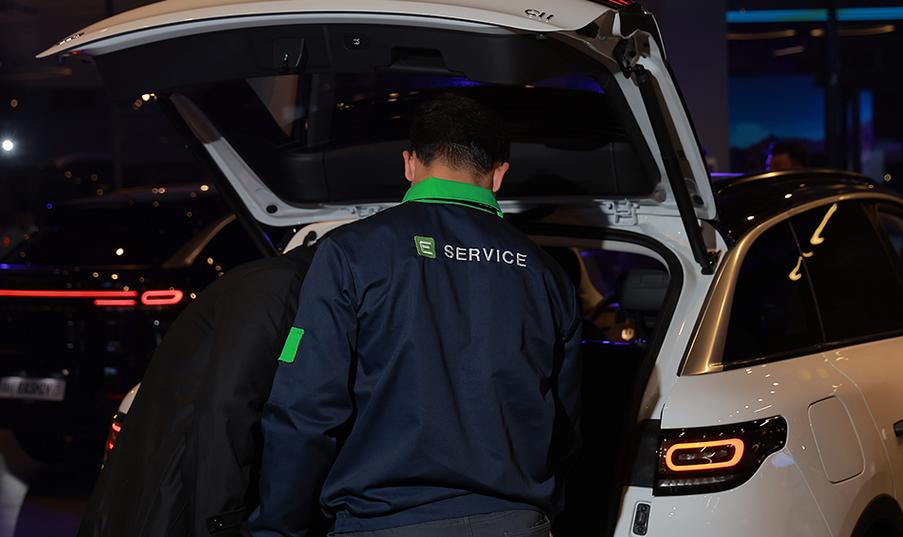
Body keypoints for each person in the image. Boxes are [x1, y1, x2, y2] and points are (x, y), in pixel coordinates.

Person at [248, 93, 582, 537]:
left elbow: (305, 408)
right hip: (515, 522)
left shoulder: (352, 254)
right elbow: (565, 424)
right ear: (499, 174)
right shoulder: (547, 273)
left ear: (409, 164)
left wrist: (278, 527)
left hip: (383, 519)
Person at [78, 244, 315, 537]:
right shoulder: (276, 287)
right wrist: (222, 523)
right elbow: (226, 411)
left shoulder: (285, 285)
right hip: (175, 492)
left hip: (179, 485)